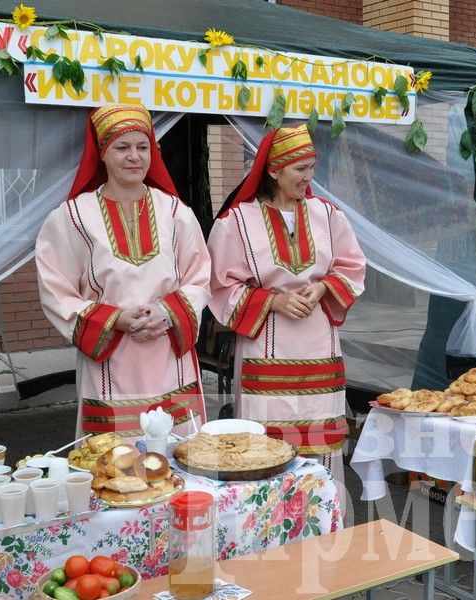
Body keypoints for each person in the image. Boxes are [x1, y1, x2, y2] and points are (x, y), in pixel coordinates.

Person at [36, 104, 211, 439]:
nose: (135, 157)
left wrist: (165, 311)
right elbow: (56, 290)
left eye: (143, 147)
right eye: (122, 147)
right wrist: (115, 319)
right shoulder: (71, 217)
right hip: (110, 358)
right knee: (116, 461)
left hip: (167, 351)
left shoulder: (176, 212)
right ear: (102, 153)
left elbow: (199, 276)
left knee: (175, 454)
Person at [207, 124, 366, 483]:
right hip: (266, 348)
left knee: (319, 442)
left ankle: (322, 519)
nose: (309, 178)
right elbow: (218, 285)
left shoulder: (328, 216)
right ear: (274, 170)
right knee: (266, 441)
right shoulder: (237, 222)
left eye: (312, 167)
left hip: (319, 350)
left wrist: (325, 288)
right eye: (300, 169)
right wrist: (273, 301)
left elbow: (353, 265)